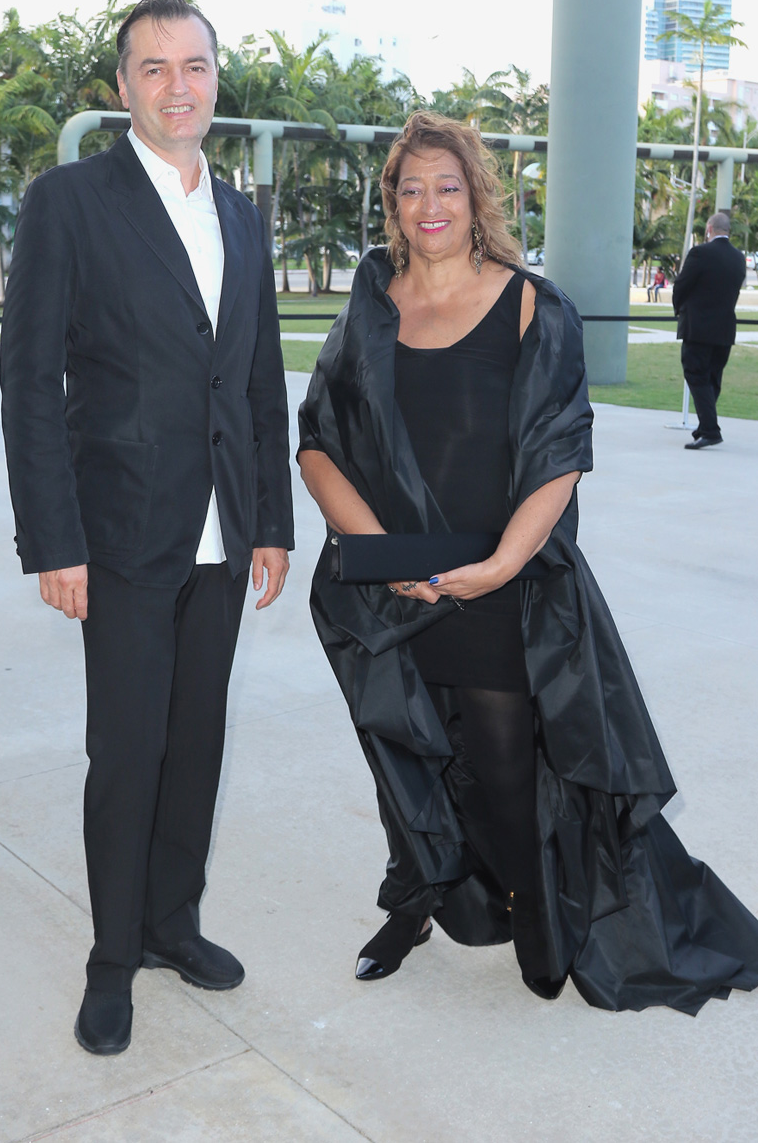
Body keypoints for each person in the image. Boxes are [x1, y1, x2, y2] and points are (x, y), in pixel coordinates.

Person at [298, 111, 758, 1013]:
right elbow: (318, 441)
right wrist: (375, 552)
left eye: (447, 186)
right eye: (411, 187)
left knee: (508, 769)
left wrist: (501, 565)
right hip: (395, 584)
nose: (429, 204)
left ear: (476, 196)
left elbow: (560, 452)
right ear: (391, 202)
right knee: (407, 754)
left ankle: (538, 916)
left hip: (502, 584)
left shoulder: (527, 304)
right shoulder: (372, 301)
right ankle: (414, 901)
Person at [0, 0, 294, 1055]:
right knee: (127, 753)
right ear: (122, 87)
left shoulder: (243, 214)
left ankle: (174, 925)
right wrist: (55, 539)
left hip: (223, 537)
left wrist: (269, 522)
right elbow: (31, 384)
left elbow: (258, 377)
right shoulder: (70, 201)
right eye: (155, 68)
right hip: (118, 534)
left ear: (217, 78)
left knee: (196, 745)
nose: (180, 87)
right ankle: (112, 958)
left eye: (196, 66)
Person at [672, 212, 746, 449]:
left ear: (709, 229)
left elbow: (681, 285)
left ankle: (711, 430)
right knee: (712, 379)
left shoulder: (700, 253)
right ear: (728, 231)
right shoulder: (738, 258)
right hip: (725, 329)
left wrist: (678, 309)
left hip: (698, 328)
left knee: (696, 375)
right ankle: (706, 425)